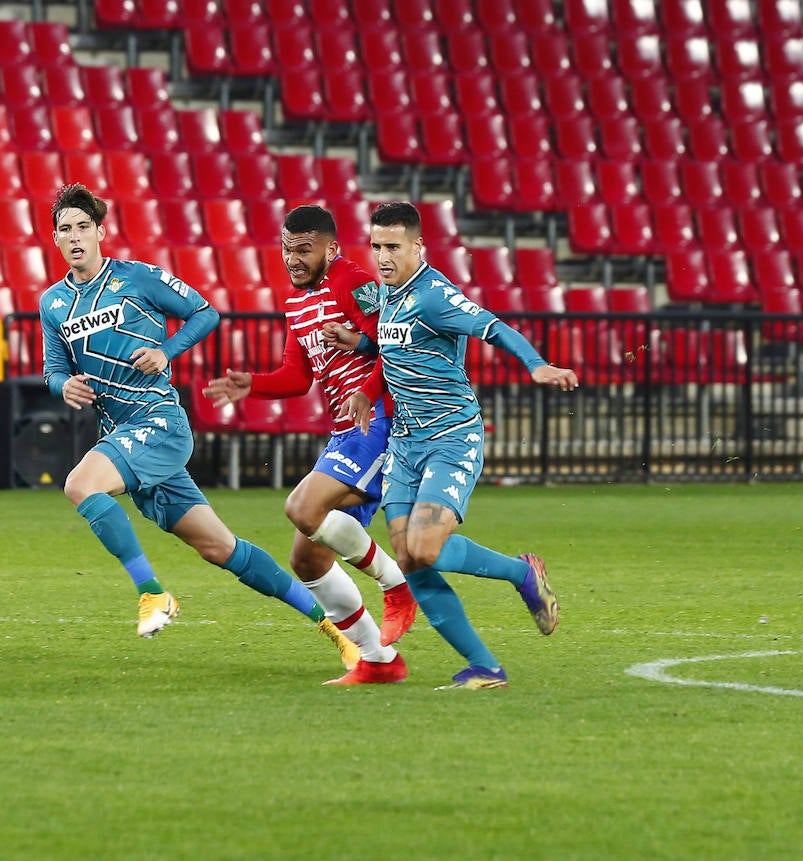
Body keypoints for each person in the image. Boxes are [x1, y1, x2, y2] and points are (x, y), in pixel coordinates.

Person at [38, 183, 360, 670]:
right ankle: (334, 631)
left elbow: (205, 313)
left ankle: (153, 595)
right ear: (56, 240)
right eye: (66, 230)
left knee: (81, 485)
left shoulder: (138, 278)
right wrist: (63, 386)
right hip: (120, 433)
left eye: (84, 226)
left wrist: (165, 351)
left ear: (101, 232)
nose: (76, 236)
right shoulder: (52, 303)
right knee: (219, 547)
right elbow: (53, 368)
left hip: (158, 423)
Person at [343, 201, 578, 690]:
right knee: (407, 560)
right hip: (406, 444)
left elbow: (494, 327)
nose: (383, 257)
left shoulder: (435, 294)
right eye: (376, 246)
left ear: (417, 247)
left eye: (393, 247)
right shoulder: (387, 294)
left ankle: (521, 573)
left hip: (451, 436)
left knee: (425, 549)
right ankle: (485, 668)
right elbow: (398, 346)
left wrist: (535, 364)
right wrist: (361, 352)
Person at [202, 205, 417, 686]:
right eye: (287, 249)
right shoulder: (296, 301)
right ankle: (379, 660)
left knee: (301, 507)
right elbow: (297, 378)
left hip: (379, 422)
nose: (293, 259)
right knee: (307, 558)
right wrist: (250, 385)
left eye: (304, 249)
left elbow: (394, 342)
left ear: (331, 248)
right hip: (344, 433)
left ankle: (396, 586)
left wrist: (368, 389)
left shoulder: (352, 280)